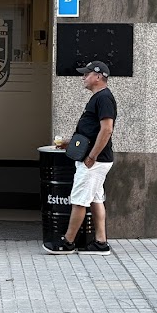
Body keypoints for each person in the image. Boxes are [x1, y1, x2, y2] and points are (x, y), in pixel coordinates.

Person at [43, 60, 117, 256]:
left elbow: (107, 129)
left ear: (99, 76)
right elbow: (92, 130)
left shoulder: (103, 98)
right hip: (97, 159)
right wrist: (70, 144)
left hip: (94, 161)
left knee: (79, 200)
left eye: (87, 74)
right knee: (95, 199)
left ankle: (67, 242)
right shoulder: (99, 98)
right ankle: (101, 243)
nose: (83, 77)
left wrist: (91, 156)